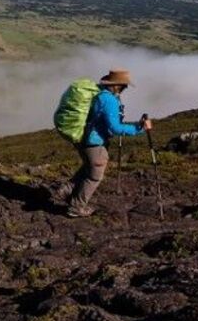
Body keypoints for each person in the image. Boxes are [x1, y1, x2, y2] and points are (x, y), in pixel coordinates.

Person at [59, 69, 150, 218]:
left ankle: (67, 189)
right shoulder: (109, 100)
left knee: (88, 166)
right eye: (124, 86)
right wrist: (139, 128)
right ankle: (76, 207)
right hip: (94, 142)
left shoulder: (99, 93)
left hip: (83, 137)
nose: (125, 89)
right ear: (118, 85)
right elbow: (114, 128)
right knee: (95, 176)